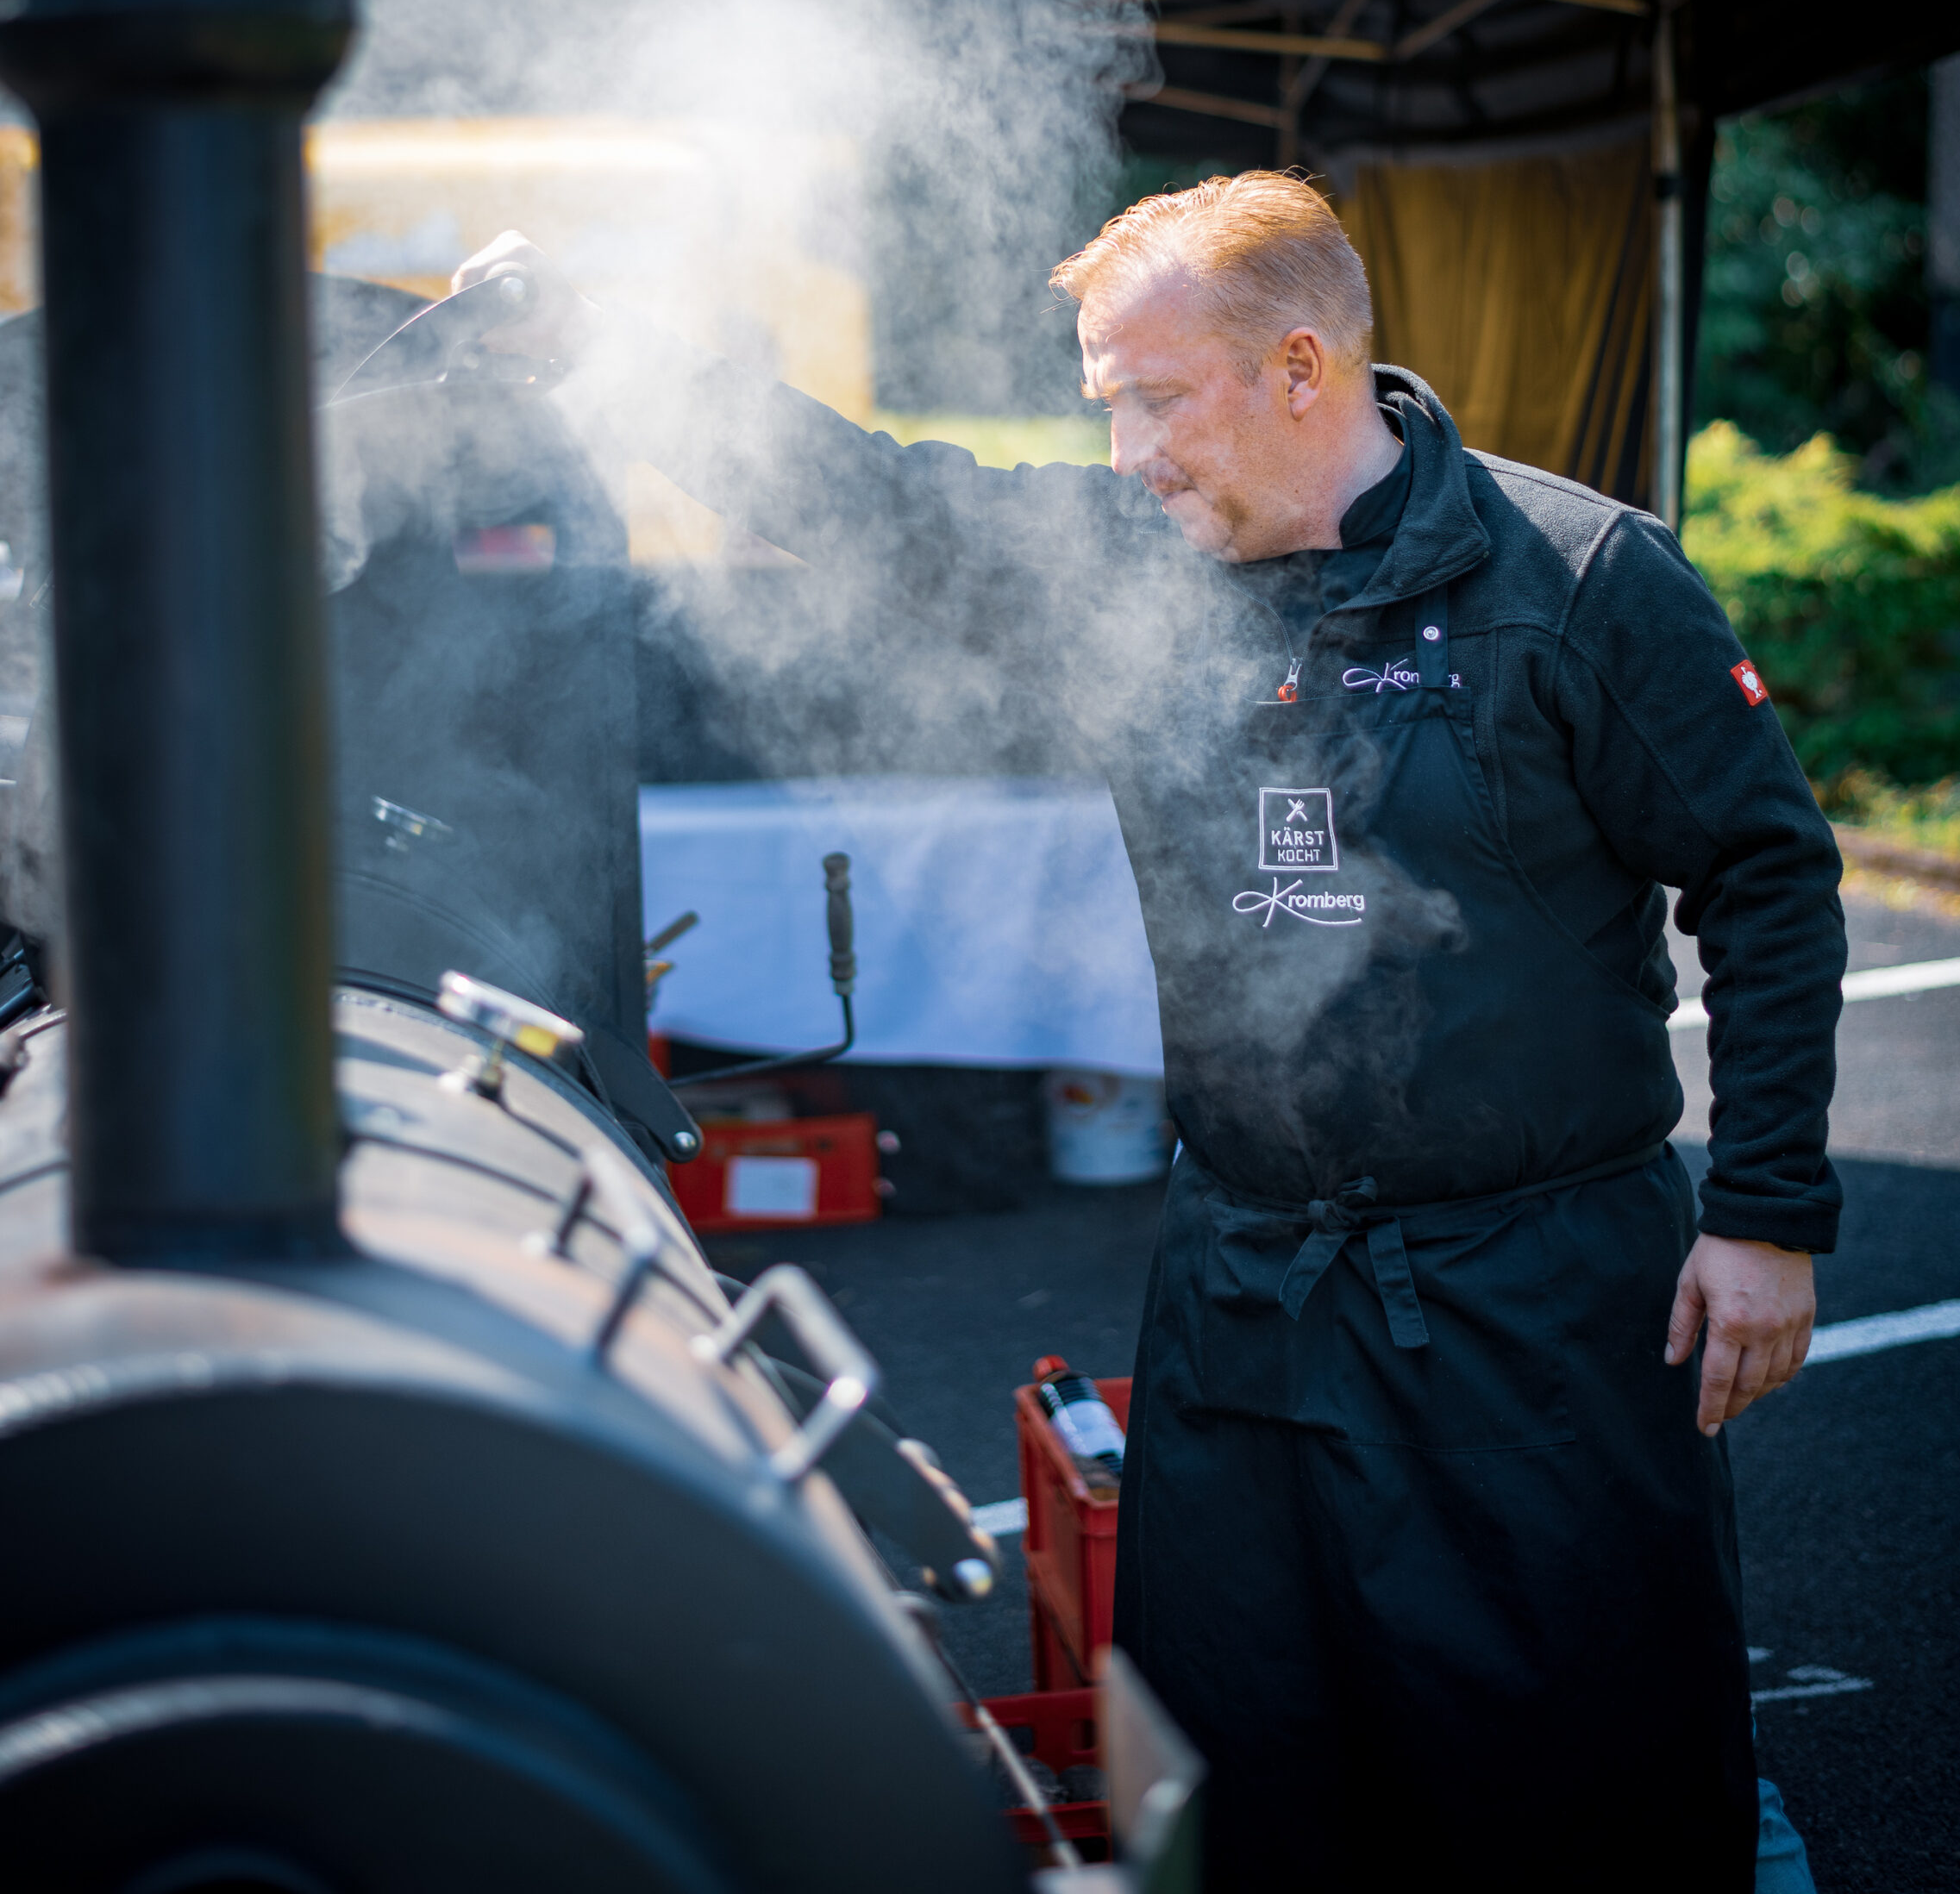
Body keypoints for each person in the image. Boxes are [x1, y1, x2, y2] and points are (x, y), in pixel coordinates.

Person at [457, 171, 1842, 1893]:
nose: (1125, 455)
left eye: (1156, 399)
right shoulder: (1142, 572)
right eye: (1104, 403)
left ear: (1302, 368)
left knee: (1567, 1765)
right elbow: (880, 503)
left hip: (1535, 1292)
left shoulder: (1575, 577)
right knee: (1248, 1746)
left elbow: (1767, 876)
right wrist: (628, 357)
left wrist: (1769, 1209)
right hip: (1247, 1278)